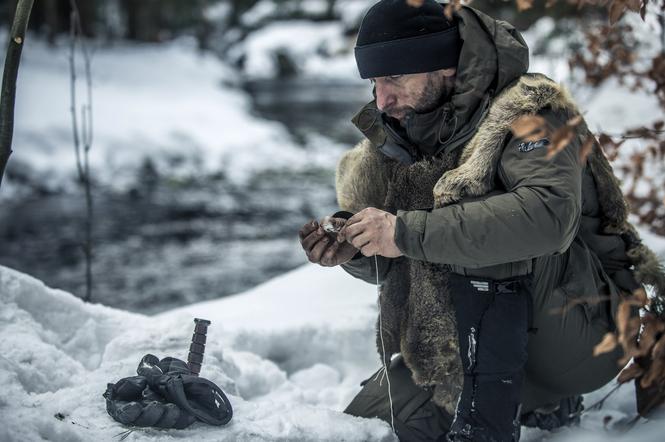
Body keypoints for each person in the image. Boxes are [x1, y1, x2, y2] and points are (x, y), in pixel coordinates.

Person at [298, 1, 665, 441]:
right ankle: (532, 403)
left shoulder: (530, 112)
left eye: (394, 77)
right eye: (375, 81)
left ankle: (486, 428)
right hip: (471, 337)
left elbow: (546, 216)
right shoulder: (403, 129)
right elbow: (406, 259)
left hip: (585, 330)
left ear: (446, 67)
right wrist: (358, 249)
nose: (382, 99)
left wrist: (404, 231)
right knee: (377, 424)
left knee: (479, 229)